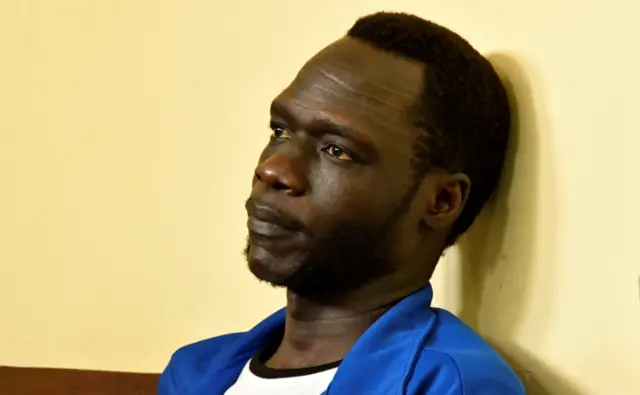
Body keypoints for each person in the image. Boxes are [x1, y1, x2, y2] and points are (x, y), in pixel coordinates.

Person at [158, 11, 525, 395]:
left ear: (440, 201)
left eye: (336, 150)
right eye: (280, 130)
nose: (273, 169)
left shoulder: (452, 385)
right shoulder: (192, 374)